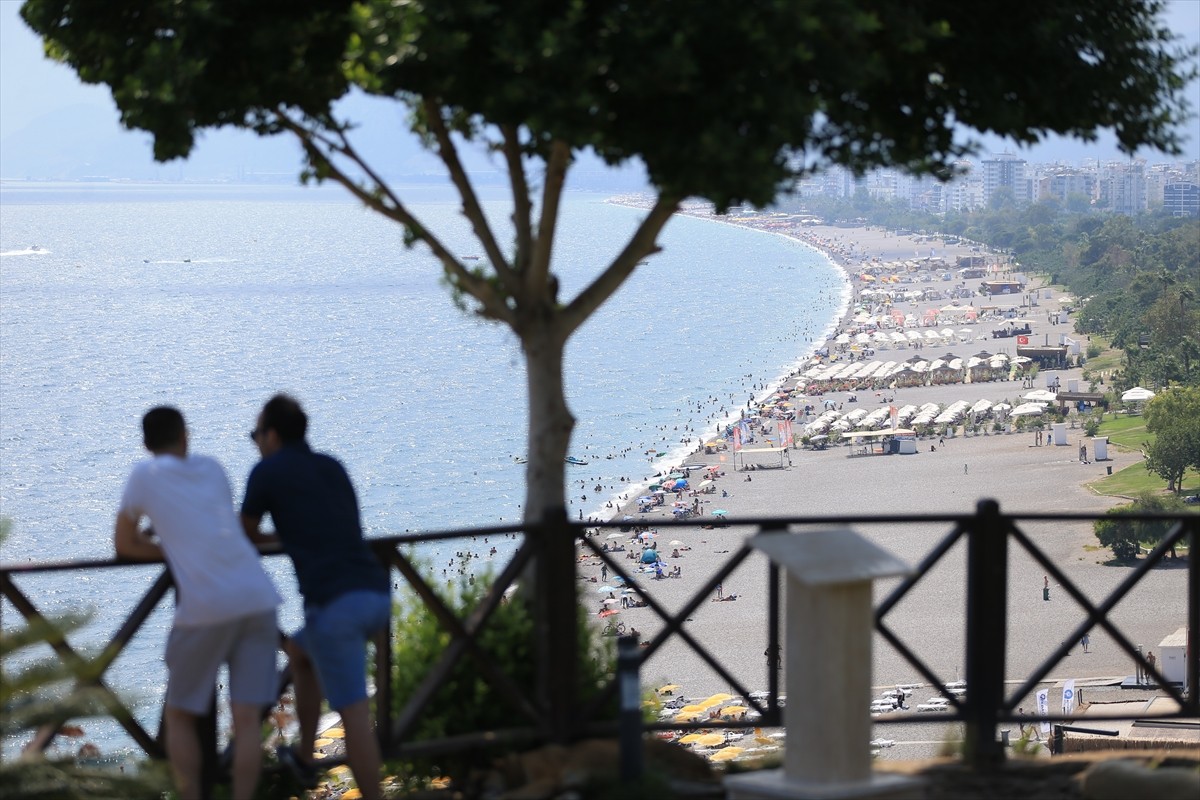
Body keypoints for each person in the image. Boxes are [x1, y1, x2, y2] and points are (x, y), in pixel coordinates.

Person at [115, 407, 281, 800]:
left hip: (207, 606)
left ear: (146, 443)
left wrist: (172, 549)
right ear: (184, 436)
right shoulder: (213, 468)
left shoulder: (143, 475)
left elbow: (124, 544)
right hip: (258, 597)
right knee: (247, 720)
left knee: (180, 715)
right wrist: (180, 545)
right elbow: (212, 526)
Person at [241, 395, 389, 800]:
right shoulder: (332, 466)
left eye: (256, 434)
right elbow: (343, 527)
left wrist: (283, 539)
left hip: (336, 606)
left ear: (272, 435)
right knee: (300, 652)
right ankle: (306, 758)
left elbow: (245, 533)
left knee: (354, 715)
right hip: (375, 591)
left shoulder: (266, 472)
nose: (256, 442)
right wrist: (296, 536)